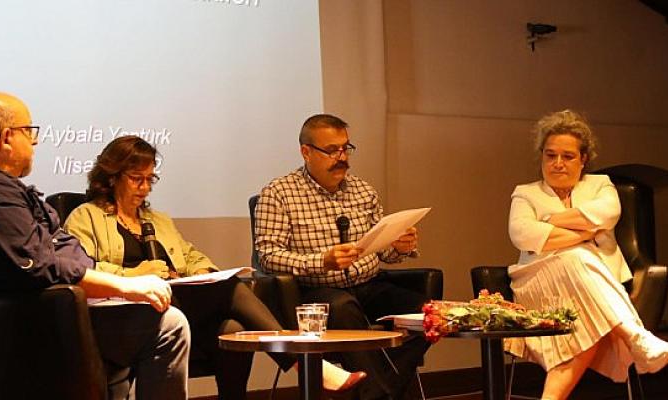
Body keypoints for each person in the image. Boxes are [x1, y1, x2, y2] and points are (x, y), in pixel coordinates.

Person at [0, 91, 190, 400]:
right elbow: (41, 266)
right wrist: (125, 286)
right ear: (6, 138)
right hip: (23, 324)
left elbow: (58, 246)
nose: (35, 142)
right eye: (29, 132)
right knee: (168, 325)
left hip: (50, 309)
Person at [63, 135, 366, 400]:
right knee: (232, 289)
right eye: (136, 179)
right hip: (125, 311)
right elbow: (82, 271)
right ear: (112, 177)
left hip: (172, 303)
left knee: (232, 330)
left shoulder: (158, 220)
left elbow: (191, 255)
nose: (145, 188)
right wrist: (136, 275)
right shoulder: (85, 216)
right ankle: (304, 362)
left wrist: (203, 273)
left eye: (150, 180)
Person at [504, 110, 668, 400]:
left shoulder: (601, 185)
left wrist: (546, 222)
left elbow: (607, 214)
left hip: (593, 285)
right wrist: (586, 234)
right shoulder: (525, 193)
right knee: (578, 255)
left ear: (583, 159)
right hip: (538, 281)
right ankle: (635, 336)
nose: (558, 163)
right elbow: (522, 234)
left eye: (568, 156)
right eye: (550, 155)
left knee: (585, 317)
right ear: (542, 156)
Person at [254, 114, 431, 400]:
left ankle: (376, 390)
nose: (342, 157)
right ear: (306, 152)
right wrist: (322, 261)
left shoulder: (363, 190)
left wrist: (399, 246)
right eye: (332, 150)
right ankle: (381, 393)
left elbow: (382, 250)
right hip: (315, 291)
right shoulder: (278, 194)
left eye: (346, 148)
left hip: (369, 286)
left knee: (430, 313)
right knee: (342, 307)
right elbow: (268, 256)